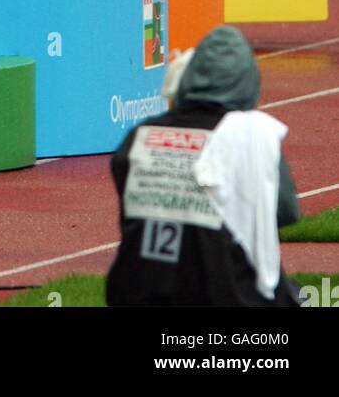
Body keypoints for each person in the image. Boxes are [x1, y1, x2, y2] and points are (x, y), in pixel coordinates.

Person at [107, 25, 301, 308]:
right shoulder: (253, 136)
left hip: (135, 291)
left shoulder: (141, 135)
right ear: (248, 83)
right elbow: (285, 212)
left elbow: (127, 197)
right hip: (225, 295)